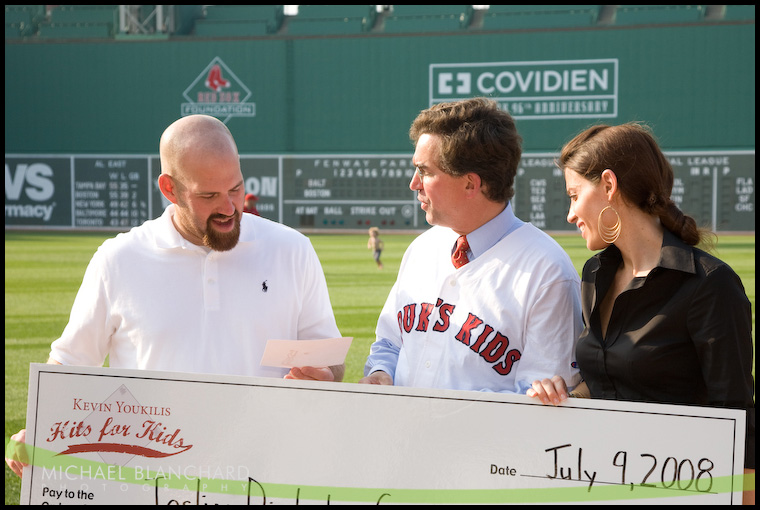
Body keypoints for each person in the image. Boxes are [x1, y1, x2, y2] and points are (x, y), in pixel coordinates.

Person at [6, 114, 343, 477]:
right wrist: (40, 427)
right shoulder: (118, 259)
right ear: (170, 189)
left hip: (265, 476)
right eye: (208, 195)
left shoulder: (292, 249)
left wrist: (323, 374)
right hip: (151, 482)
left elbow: (331, 360)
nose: (230, 208)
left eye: (235, 188)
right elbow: (70, 364)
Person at [526, 122, 755, 504]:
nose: (570, 214)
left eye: (574, 195)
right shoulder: (593, 275)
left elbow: (738, 422)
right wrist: (564, 394)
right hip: (597, 486)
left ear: (609, 186)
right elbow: (605, 383)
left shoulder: (709, 285)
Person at [358, 97, 583, 393]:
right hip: (403, 435)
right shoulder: (421, 249)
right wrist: (381, 372)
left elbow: (540, 400)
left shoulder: (547, 272)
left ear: (470, 184)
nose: (414, 183)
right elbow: (389, 341)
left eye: (425, 171)